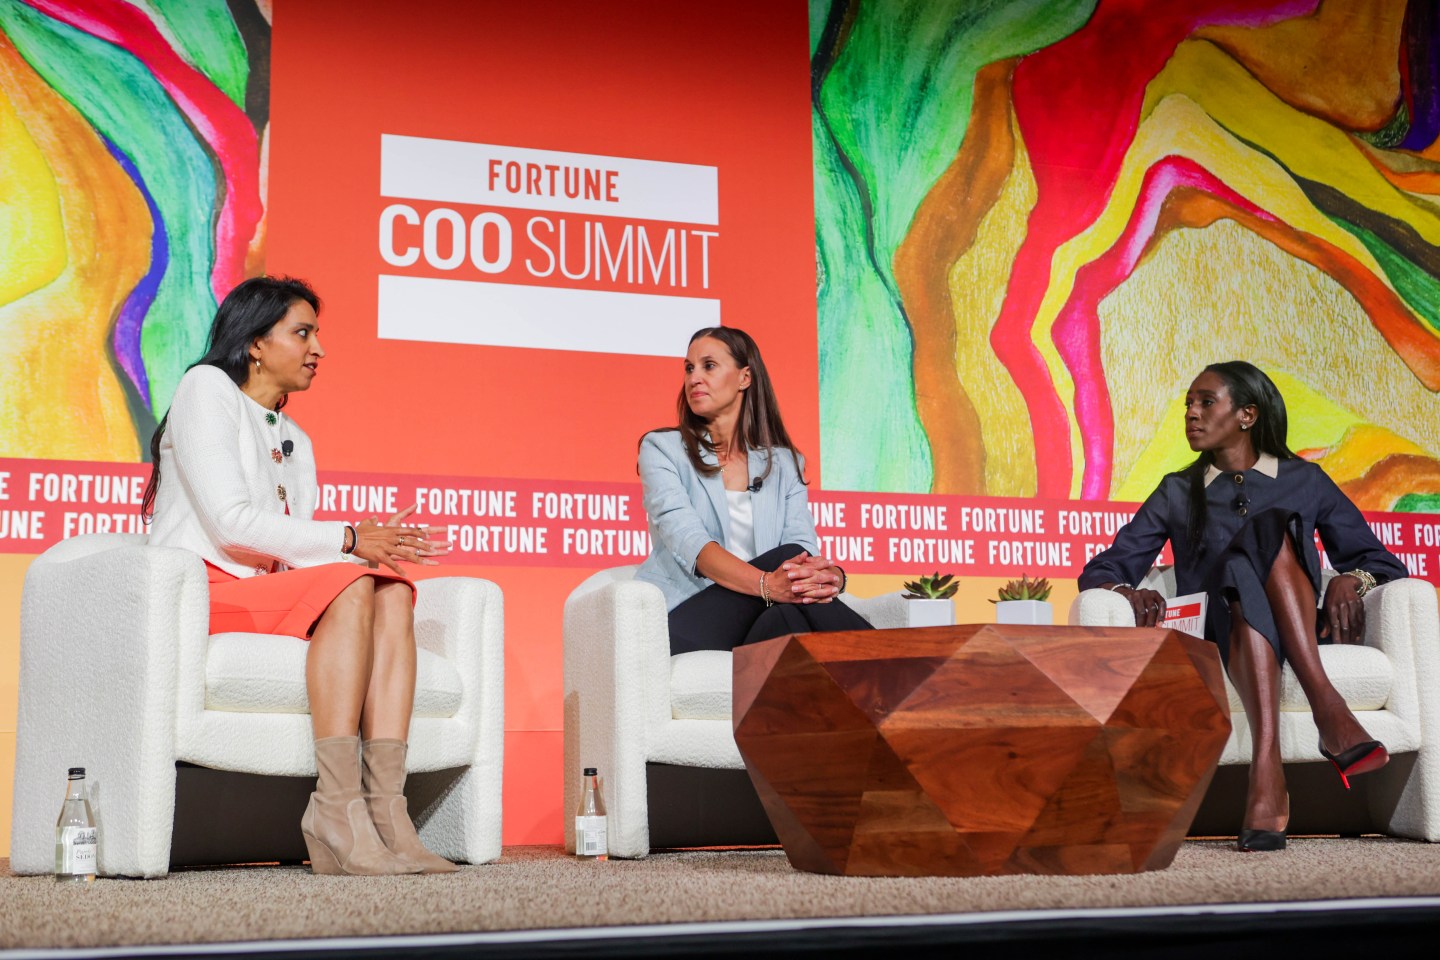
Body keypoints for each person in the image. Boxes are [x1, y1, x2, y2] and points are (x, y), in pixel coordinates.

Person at [142, 276, 457, 875]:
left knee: (392, 590)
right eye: (303, 332)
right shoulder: (204, 387)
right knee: (352, 576)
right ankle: (335, 809)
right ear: (256, 342)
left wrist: (361, 549)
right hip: (202, 590)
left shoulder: (297, 439)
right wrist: (346, 540)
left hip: (266, 592)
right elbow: (233, 525)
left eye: (317, 334)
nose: (319, 349)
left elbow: (291, 553)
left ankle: (388, 811)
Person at [1078, 361, 1407, 852]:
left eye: (1205, 402)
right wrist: (1127, 591)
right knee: (1247, 554)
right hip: (1220, 627)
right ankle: (1328, 711)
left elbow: (1381, 562)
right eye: (1188, 403)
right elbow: (1102, 570)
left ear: (1247, 415)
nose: (1191, 413)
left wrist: (1352, 581)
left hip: (1294, 627)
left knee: (1269, 526)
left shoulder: (1306, 480)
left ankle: (1267, 773)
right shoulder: (1176, 490)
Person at [636, 326, 872, 653]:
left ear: (744, 378)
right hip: (687, 618)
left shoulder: (785, 464)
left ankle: (872, 691)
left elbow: (804, 548)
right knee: (785, 557)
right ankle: (906, 674)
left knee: (788, 617)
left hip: (762, 616)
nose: (694, 378)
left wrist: (833, 576)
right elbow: (691, 543)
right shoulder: (662, 449)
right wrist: (767, 585)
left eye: (709, 366)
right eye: (689, 368)